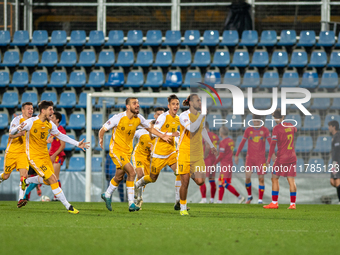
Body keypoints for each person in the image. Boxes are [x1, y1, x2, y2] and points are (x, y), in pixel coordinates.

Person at [14, 100, 90, 214]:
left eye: (52, 110)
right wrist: (17, 129)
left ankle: (27, 180)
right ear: (43, 110)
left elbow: (62, 136)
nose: (52, 112)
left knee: (48, 182)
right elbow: (14, 130)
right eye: (50, 110)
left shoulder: (50, 124)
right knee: (53, 179)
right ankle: (69, 207)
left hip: (45, 156)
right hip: (34, 157)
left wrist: (77, 143)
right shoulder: (31, 122)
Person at [99, 97, 172, 212]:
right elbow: (102, 129)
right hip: (117, 150)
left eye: (138, 103)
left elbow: (150, 129)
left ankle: (107, 194)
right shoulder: (118, 118)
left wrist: (162, 135)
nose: (137, 105)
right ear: (127, 106)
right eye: (134, 103)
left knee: (119, 176)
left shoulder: (139, 119)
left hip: (128, 152)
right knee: (132, 172)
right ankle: (131, 203)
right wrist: (101, 139)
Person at [134, 95, 183, 210]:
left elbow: (178, 134)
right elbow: (154, 132)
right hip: (159, 154)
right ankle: (137, 185)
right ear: (169, 106)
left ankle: (178, 201)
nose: (175, 106)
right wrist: (168, 135)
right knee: (152, 178)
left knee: (180, 171)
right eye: (173, 104)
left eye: (177, 104)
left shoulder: (178, 119)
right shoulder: (163, 117)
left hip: (171, 152)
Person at [177, 94, 217, 216]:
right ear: (190, 102)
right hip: (184, 152)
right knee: (185, 182)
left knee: (200, 181)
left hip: (197, 154)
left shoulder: (200, 116)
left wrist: (211, 145)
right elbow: (193, 128)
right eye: (197, 100)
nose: (200, 102)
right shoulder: (183, 115)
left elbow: (202, 129)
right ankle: (183, 208)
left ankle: (188, 174)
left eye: (200, 100)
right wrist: (202, 116)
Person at [264, 109, 297, 210]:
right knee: (291, 180)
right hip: (292, 157)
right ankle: (292, 204)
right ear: (283, 117)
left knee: (274, 178)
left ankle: (274, 203)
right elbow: (295, 130)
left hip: (282, 158)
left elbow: (273, 145)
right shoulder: (291, 126)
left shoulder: (276, 128)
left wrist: (268, 159)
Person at [0, 102, 33, 203]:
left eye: (32, 108)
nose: (31, 110)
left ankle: (20, 199)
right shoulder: (17, 120)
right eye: (28, 109)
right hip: (12, 152)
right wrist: (19, 132)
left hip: (23, 153)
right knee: (6, 176)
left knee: (24, 176)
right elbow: (11, 134)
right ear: (23, 111)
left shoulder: (33, 121)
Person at [235, 114, 272, 204]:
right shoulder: (248, 130)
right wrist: (236, 155)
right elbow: (242, 143)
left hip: (261, 159)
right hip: (250, 159)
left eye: (258, 121)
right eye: (255, 121)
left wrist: (270, 158)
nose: (256, 123)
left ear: (260, 121)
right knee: (247, 178)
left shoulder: (265, 130)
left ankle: (260, 200)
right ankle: (249, 196)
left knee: (261, 179)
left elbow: (271, 144)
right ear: (252, 121)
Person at [133, 107, 165, 208]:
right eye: (158, 114)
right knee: (140, 174)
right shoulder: (143, 128)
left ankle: (139, 197)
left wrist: (155, 149)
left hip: (149, 159)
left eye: (162, 115)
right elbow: (132, 131)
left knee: (144, 179)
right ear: (155, 116)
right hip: (138, 155)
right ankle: (137, 198)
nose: (160, 116)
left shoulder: (163, 132)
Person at [214, 126, 245, 204]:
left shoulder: (223, 142)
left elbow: (221, 155)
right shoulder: (231, 141)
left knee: (225, 183)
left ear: (220, 133)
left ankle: (240, 197)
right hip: (229, 163)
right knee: (221, 182)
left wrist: (214, 163)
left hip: (225, 165)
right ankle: (219, 201)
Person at [199, 122, 219, 203]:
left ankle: (203, 199)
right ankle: (212, 199)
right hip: (213, 159)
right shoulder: (216, 136)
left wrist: (204, 157)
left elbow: (207, 146)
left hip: (206, 159)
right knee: (212, 179)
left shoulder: (205, 135)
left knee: (201, 179)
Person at [328, 120, 340, 204]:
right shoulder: (335, 137)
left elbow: (337, 151)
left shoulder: (338, 136)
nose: (328, 128)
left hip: (337, 163)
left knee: (337, 181)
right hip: (335, 163)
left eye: (330, 126)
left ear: (334, 127)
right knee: (334, 182)